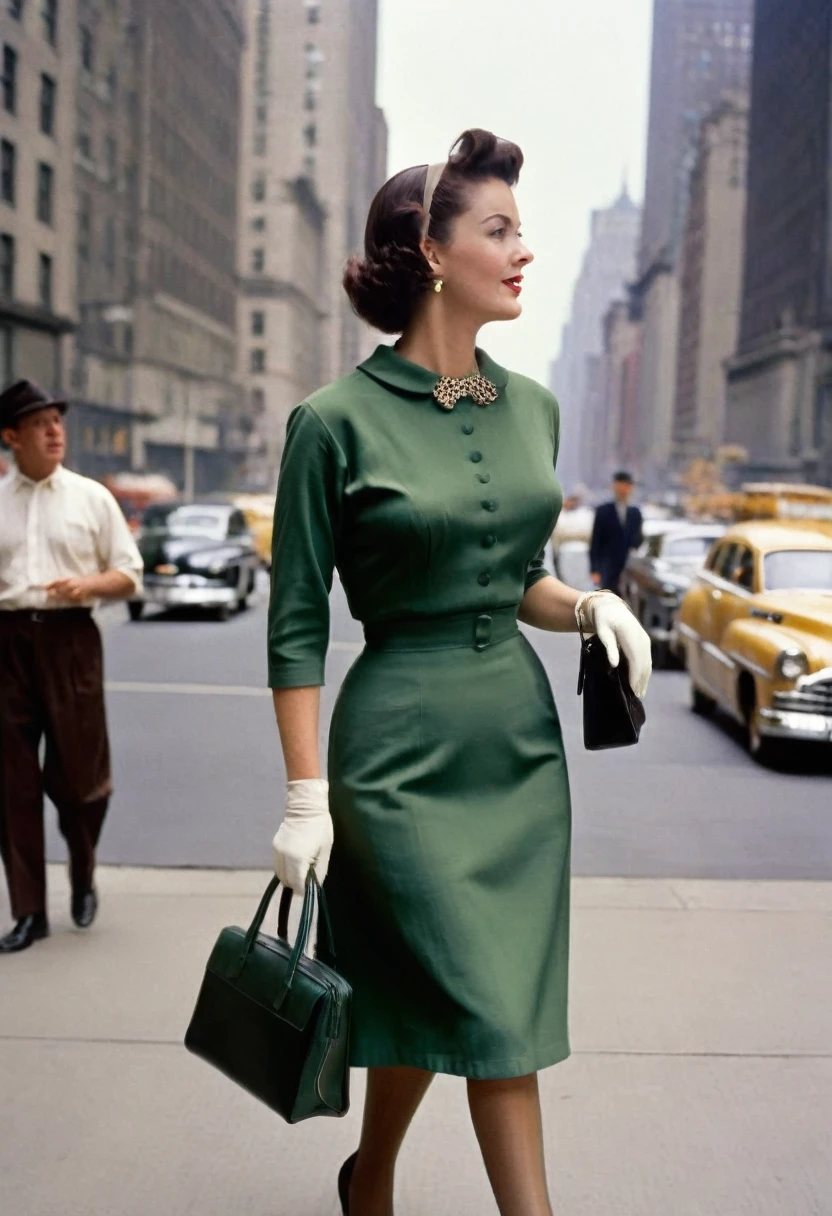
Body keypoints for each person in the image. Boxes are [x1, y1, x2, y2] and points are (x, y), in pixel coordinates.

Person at [267, 130, 652, 1216]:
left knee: (460, 995)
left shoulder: (530, 407)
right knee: (487, 1007)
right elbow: (295, 627)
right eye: (499, 229)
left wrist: (586, 604)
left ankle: (370, 1176)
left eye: (520, 230)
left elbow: (517, 575)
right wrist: (305, 798)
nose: (521, 249)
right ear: (432, 253)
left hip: (516, 753)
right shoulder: (330, 425)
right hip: (395, 758)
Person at [0, 380, 143, 953]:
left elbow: (129, 573)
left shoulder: (92, 498)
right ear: (11, 437)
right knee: (11, 785)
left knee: (84, 781)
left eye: (57, 420)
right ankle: (29, 912)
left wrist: (87, 583)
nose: (55, 431)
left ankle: (82, 874)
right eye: (40, 423)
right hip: (6, 642)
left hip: (71, 642)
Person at [589, 470, 644, 595]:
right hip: (607, 568)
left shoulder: (635, 513)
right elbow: (595, 542)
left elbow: (639, 539)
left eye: (627, 485)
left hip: (628, 568)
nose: (624, 489)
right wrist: (594, 570)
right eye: (620, 485)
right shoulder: (603, 511)